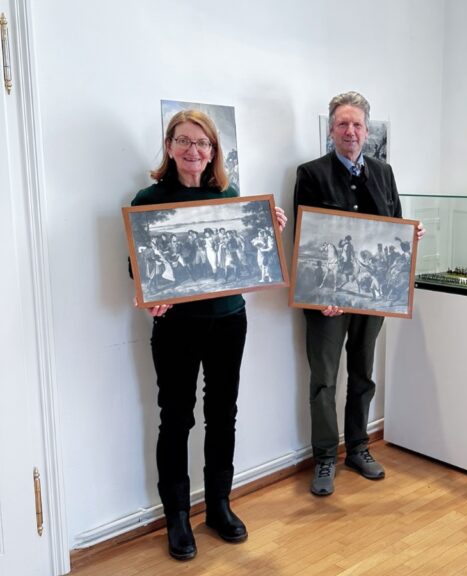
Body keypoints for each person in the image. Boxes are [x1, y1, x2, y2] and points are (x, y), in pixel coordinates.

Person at [130, 109, 287, 561]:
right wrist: (150, 295)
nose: (193, 150)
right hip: (177, 326)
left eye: (202, 143)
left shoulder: (229, 195)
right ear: (169, 146)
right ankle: (177, 517)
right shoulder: (149, 198)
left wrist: (267, 228)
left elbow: (249, 256)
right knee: (176, 418)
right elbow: (136, 266)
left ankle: (218, 505)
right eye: (183, 140)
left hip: (229, 320)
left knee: (223, 414)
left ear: (213, 150)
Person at [294, 91, 424, 496]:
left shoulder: (383, 173)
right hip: (326, 302)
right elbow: (304, 238)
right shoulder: (311, 174)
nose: (350, 131)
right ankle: (325, 457)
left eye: (357, 125)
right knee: (324, 380)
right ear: (331, 130)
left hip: (374, 297)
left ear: (367, 131)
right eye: (342, 124)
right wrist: (321, 297)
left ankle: (358, 448)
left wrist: (411, 235)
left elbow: (395, 224)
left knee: (363, 374)